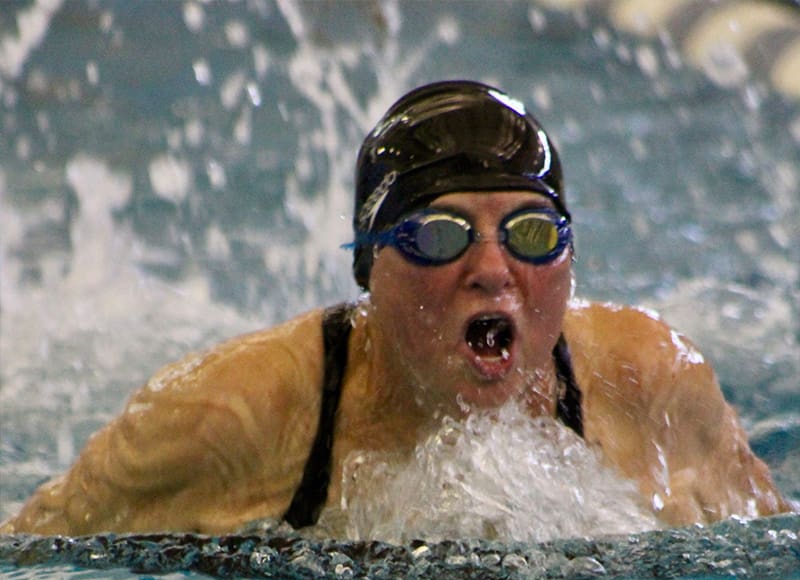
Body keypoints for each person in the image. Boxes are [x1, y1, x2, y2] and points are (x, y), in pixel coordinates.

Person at [1, 80, 790, 537]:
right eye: (442, 236)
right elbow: (35, 566)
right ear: (368, 265)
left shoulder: (648, 383)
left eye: (530, 232)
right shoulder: (233, 413)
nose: (493, 271)